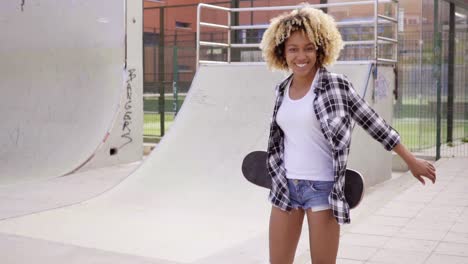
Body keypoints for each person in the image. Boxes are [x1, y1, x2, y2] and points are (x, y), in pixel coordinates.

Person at [259, 4, 437, 264]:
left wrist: (411, 160)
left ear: (320, 50)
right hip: (285, 187)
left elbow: (375, 123)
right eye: (293, 49)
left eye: (309, 47)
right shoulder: (281, 90)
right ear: (281, 52)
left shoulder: (337, 86)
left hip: (322, 189)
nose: (301, 56)